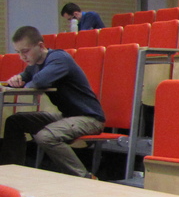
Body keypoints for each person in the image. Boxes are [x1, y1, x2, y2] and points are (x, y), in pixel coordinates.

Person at [0, 26, 105, 178]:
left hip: (89, 119)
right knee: (15, 121)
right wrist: (16, 80)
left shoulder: (59, 59)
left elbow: (39, 81)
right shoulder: (34, 65)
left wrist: (25, 82)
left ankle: (85, 178)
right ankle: (11, 174)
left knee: (46, 136)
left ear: (41, 46)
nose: (22, 57)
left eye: (25, 51)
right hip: (67, 117)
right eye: (18, 52)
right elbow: (24, 77)